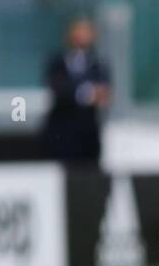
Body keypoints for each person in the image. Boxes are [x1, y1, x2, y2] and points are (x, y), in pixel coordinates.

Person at [41, 17, 110, 166]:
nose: (81, 35)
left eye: (86, 31)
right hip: (61, 133)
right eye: (78, 30)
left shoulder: (99, 64)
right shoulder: (58, 62)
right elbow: (58, 88)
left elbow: (104, 93)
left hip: (88, 135)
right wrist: (85, 93)